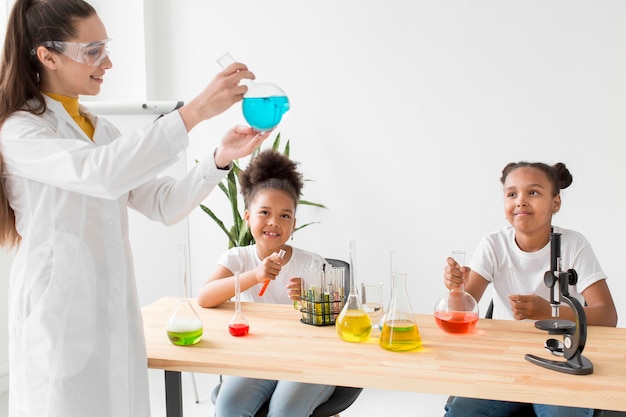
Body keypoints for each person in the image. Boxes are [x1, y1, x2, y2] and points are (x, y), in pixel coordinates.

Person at [0, 1, 272, 416]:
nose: (107, 62)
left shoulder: (100, 128)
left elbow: (164, 204)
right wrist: (194, 111)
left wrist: (219, 158)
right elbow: (99, 172)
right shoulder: (22, 129)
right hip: (58, 321)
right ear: (47, 55)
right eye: (92, 51)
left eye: (104, 47)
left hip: (112, 315)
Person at [443, 161, 617, 417]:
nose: (521, 201)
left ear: (555, 203)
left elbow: (607, 315)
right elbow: (461, 313)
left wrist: (549, 312)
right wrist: (456, 290)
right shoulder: (494, 244)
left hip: (564, 359)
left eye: (533, 193)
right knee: (462, 412)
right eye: (512, 194)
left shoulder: (574, 244)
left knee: (562, 412)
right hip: (506, 361)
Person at [197, 149, 336, 417]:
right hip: (258, 358)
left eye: (285, 216)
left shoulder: (312, 264)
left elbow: (339, 319)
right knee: (228, 407)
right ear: (248, 218)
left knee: (285, 411)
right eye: (264, 212)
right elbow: (205, 297)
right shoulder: (237, 258)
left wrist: (311, 301)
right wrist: (255, 275)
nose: (274, 222)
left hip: (309, 359)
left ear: (293, 224)